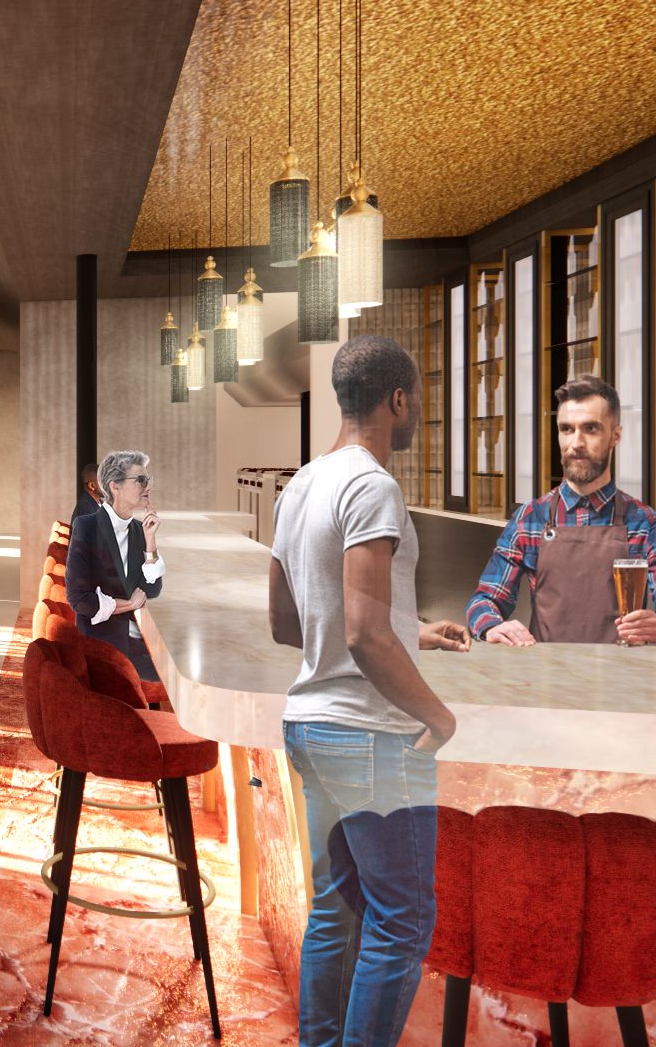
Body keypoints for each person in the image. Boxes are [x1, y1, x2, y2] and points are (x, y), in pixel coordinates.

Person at [267, 334, 472, 1047]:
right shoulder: (373, 485)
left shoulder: (301, 485)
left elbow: (289, 620)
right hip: (370, 736)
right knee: (402, 918)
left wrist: (409, 629)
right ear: (397, 400)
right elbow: (361, 635)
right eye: (415, 402)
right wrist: (437, 715)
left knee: (337, 910)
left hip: (310, 727)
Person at [467, 375, 656, 647]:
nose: (576, 442)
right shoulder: (530, 518)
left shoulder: (642, 521)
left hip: (624, 678)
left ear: (615, 436)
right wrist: (492, 626)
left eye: (590, 428)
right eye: (566, 429)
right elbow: (484, 600)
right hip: (547, 677)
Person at [64, 450, 164, 682]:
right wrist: (129, 603)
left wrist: (150, 541)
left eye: (148, 480)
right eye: (140, 480)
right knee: (171, 674)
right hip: (103, 648)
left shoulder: (140, 529)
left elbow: (153, 588)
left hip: (133, 642)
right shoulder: (87, 526)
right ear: (114, 487)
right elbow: (79, 599)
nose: (147, 486)